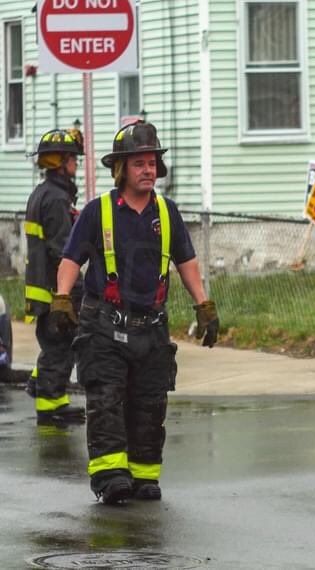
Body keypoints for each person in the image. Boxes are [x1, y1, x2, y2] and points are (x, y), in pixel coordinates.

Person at [52, 121, 220, 504]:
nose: (148, 170)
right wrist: (62, 297)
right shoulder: (99, 212)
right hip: (104, 327)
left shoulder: (167, 211)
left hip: (152, 329)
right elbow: (70, 260)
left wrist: (204, 305)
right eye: (139, 163)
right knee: (107, 400)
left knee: (149, 404)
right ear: (121, 170)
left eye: (152, 163)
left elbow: (187, 262)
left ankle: (144, 475)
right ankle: (110, 476)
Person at [24, 128, 87, 425]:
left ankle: (49, 391)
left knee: (55, 341)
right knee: (61, 343)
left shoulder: (44, 193)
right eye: (73, 157)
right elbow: (62, 248)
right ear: (61, 162)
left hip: (43, 284)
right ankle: (49, 408)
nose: (76, 163)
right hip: (56, 286)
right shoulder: (56, 199)